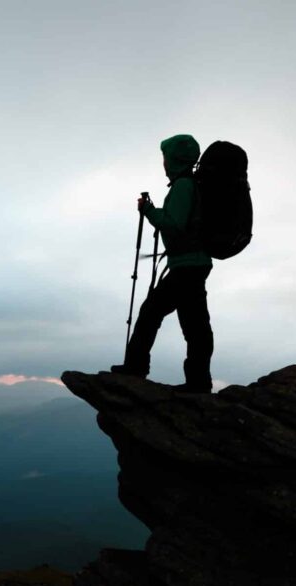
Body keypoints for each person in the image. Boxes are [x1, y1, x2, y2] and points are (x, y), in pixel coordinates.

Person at [111, 134, 213, 393]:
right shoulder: (190, 185)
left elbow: (173, 225)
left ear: (174, 159)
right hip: (193, 263)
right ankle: (198, 381)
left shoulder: (183, 186)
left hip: (187, 265)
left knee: (151, 314)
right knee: (195, 325)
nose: (163, 163)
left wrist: (148, 211)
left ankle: (136, 367)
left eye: (165, 157)